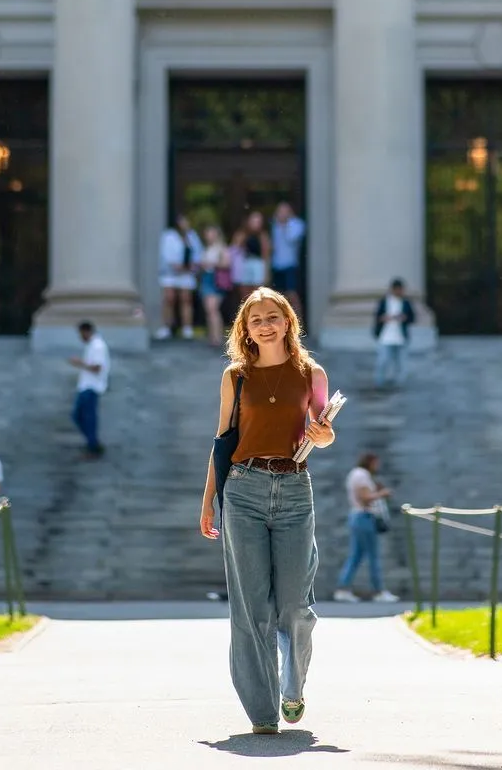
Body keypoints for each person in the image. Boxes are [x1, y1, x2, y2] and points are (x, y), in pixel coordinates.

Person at [199, 287, 335, 735]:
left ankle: (292, 687)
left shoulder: (310, 373)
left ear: (288, 321)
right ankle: (262, 712)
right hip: (243, 490)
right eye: (256, 319)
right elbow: (223, 442)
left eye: (273, 316)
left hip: (295, 489)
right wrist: (209, 503)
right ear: (245, 328)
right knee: (250, 607)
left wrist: (321, 434)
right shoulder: (235, 377)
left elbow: (325, 433)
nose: (265, 324)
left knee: (295, 605)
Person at [333, 453, 399, 603]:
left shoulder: (355, 474)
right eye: (376, 463)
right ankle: (379, 591)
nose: (377, 467)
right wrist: (383, 493)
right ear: (370, 462)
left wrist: (376, 489)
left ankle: (342, 588)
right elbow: (365, 498)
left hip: (357, 517)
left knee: (355, 556)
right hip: (365, 518)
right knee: (373, 556)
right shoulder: (362, 475)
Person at [157, 214, 202, 340]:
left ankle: (187, 327)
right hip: (170, 273)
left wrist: (192, 265)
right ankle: (167, 327)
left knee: (186, 299)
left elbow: (198, 253)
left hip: (187, 273)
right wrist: (176, 265)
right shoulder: (168, 236)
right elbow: (166, 255)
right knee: (169, 298)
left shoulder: (192, 236)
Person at [69, 320, 110, 458]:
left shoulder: (98, 346)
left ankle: (93, 445)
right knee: (79, 416)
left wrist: (79, 363)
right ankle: (92, 443)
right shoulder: (92, 345)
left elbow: (97, 367)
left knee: (87, 417)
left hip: (92, 387)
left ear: (86, 331)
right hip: (86, 386)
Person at [373, 278, 416, 388]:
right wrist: (385, 318)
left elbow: (412, 317)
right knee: (382, 361)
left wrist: (404, 318)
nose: (399, 291)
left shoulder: (406, 302)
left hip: (401, 337)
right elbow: (377, 317)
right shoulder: (384, 301)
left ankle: (400, 384)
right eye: (397, 289)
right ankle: (379, 383)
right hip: (385, 337)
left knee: (401, 363)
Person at [271, 202, 306, 321]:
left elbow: (292, 238)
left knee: (292, 294)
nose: (281, 214)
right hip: (277, 265)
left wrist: (285, 224)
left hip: (290, 265)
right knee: (279, 296)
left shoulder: (296, 224)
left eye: (284, 211)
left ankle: (299, 322)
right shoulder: (274, 225)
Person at [198, 225, 231, 347]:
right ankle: (212, 336)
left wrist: (212, 263)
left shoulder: (221, 248)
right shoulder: (206, 248)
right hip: (206, 279)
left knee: (213, 309)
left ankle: (217, 337)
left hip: (215, 279)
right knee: (209, 309)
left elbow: (227, 263)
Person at [237, 211, 270, 302]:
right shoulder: (244, 234)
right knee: (245, 290)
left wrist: (266, 271)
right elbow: (236, 247)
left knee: (258, 291)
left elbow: (265, 254)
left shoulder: (263, 236)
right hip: (246, 262)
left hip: (258, 263)